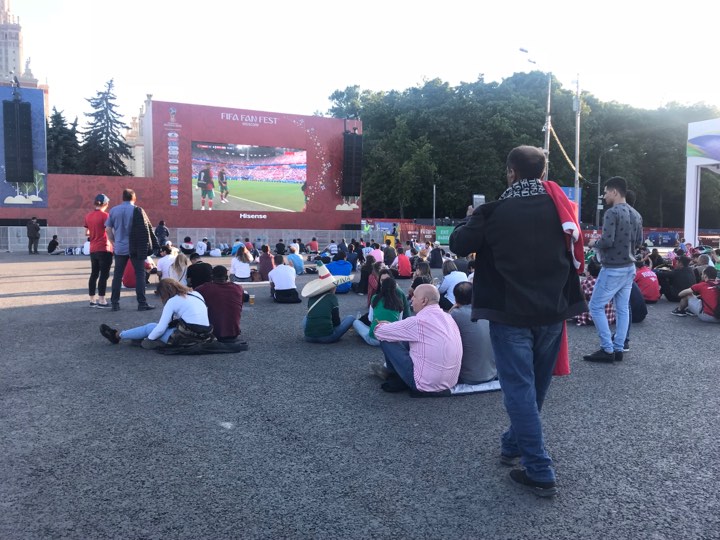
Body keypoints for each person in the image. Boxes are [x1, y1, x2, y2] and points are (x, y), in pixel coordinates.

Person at [450, 145, 586, 498]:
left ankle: (539, 469)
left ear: (511, 172)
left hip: (510, 313)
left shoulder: (493, 212)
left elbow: (459, 244)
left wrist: (471, 217)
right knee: (534, 387)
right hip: (552, 310)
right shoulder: (561, 210)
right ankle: (513, 444)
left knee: (519, 389)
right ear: (542, 174)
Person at [584, 176, 643, 363]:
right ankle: (618, 348)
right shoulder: (636, 214)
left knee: (595, 306)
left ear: (615, 191)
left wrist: (593, 243)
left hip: (613, 268)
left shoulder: (612, 213)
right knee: (622, 308)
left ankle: (607, 349)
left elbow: (607, 241)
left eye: (606, 192)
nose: (604, 196)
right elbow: (639, 241)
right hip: (629, 267)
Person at [374, 284, 462, 394]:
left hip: (424, 384)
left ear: (424, 301)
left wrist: (385, 325)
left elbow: (380, 332)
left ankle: (395, 378)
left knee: (386, 338)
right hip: (451, 382)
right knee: (403, 335)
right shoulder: (448, 317)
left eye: (414, 296)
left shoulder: (419, 321)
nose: (411, 299)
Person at [99, 278, 210, 347]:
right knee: (160, 329)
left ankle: (117, 335)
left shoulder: (172, 301)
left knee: (151, 327)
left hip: (187, 339)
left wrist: (149, 340)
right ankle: (138, 337)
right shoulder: (196, 294)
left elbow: (161, 328)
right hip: (205, 335)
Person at [106, 188, 158, 311]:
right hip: (136, 247)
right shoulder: (138, 210)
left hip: (120, 247)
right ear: (134, 198)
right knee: (140, 274)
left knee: (117, 275)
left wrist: (113, 242)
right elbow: (146, 229)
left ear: (122, 198)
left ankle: (115, 303)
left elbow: (108, 229)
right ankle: (142, 303)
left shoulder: (114, 210)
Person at [450, 281, 497, 385]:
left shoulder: (455, 314)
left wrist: (452, 309)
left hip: (468, 377)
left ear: (456, 299)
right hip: (493, 373)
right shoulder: (487, 311)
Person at [301, 261, 355, 343]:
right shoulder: (332, 298)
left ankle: (312, 332)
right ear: (332, 287)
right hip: (327, 337)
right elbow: (336, 321)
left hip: (308, 337)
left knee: (306, 317)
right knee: (351, 318)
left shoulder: (311, 298)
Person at [353, 274, 406, 346]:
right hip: (392, 340)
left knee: (356, 322)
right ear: (395, 288)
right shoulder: (399, 302)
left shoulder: (375, 298)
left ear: (382, 287)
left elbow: (370, 318)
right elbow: (399, 322)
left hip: (374, 339)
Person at [196, 265, 245, 341]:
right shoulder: (238, 288)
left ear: (212, 276)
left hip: (213, 333)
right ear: (226, 277)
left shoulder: (203, 288)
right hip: (234, 332)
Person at [84, 193, 113, 308]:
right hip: (104, 247)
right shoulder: (106, 216)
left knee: (94, 274)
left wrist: (94, 232)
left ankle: (92, 300)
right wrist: (114, 242)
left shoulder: (88, 216)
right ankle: (102, 300)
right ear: (105, 204)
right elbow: (109, 230)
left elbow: (86, 233)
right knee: (104, 275)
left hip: (93, 248)